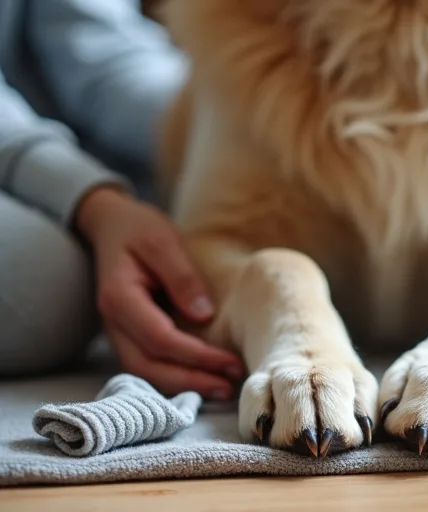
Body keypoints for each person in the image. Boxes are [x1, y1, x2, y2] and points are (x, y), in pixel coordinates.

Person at [0, 0, 246, 400]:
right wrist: (93, 201)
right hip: (27, 142)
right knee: (46, 283)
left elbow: (101, 49)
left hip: (48, 143)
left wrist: (229, 117)